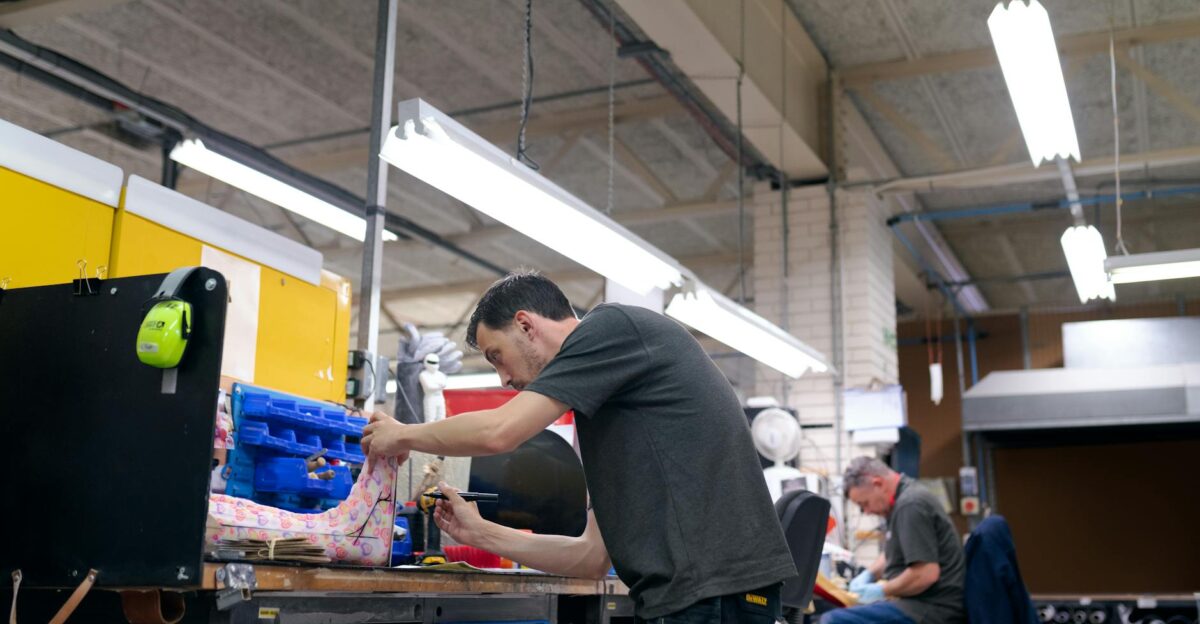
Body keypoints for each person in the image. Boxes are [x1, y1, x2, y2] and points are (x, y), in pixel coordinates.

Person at [361, 271, 796, 622]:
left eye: (497, 356)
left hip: (711, 595)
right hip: (703, 595)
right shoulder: (609, 412)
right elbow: (590, 557)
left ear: (526, 325)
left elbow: (500, 432)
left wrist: (402, 434)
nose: (503, 379)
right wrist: (482, 534)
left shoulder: (610, 328)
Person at [823, 457, 965, 624]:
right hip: (920, 602)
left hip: (933, 608)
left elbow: (925, 574)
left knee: (833, 620)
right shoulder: (900, 501)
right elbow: (892, 551)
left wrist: (881, 590)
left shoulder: (911, 505)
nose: (866, 511)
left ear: (878, 483)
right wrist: (868, 575)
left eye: (865, 503)